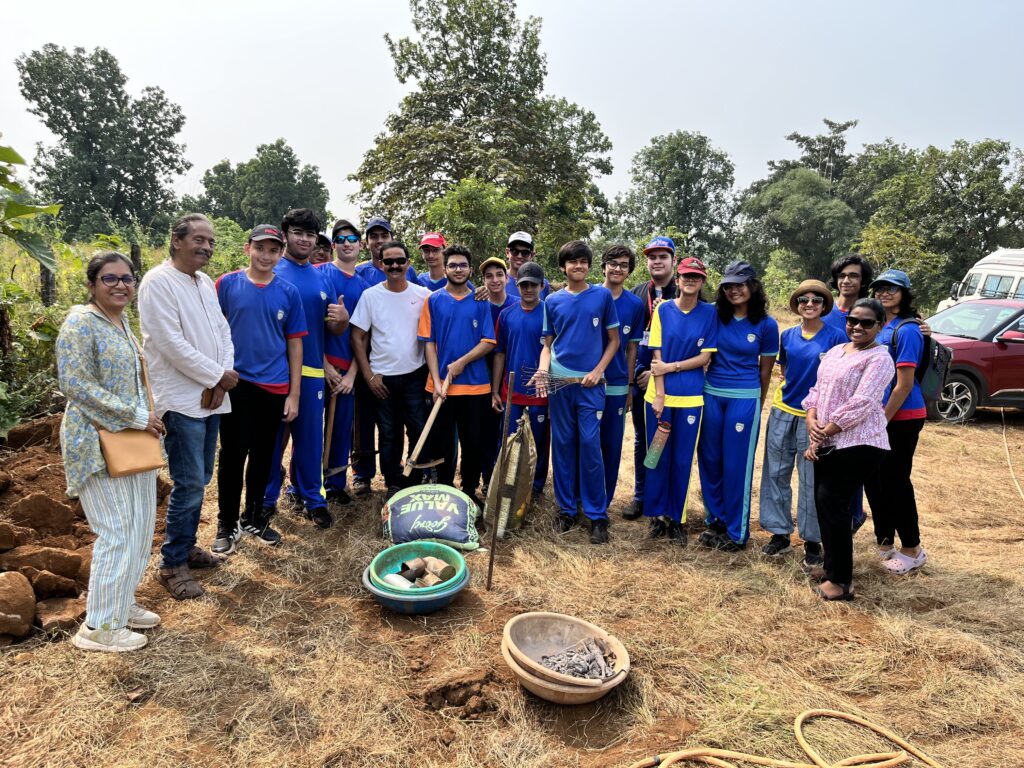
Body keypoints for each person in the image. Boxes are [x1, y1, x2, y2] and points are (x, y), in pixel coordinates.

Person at [58, 252, 164, 652]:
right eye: (110, 279)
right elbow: (75, 384)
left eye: (128, 279)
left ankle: (120, 604)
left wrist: (147, 418)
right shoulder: (81, 323)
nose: (121, 285)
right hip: (95, 443)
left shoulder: (121, 324)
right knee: (117, 531)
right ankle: (99, 628)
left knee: (138, 529)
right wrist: (136, 415)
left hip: (131, 441)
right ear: (92, 284)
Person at [138, 213, 236, 600]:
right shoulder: (157, 282)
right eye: (198, 239)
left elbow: (222, 331)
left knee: (202, 480)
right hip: (181, 400)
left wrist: (222, 374)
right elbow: (170, 344)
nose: (207, 247)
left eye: (210, 241)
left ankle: (187, 546)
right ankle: (172, 562)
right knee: (189, 481)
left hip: (212, 396)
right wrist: (215, 377)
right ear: (176, 240)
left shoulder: (204, 284)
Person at [213, 225, 305, 553]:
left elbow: (295, 345)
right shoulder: (226, 285)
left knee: (264, 456)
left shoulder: (288, 292)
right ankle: (225, 523)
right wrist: (215, 378)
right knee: (233, 454)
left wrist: (293, 394)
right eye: (260, 248)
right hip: (236, 384)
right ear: (247, 248)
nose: (266, 256)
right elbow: (212, 331)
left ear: (280, 253)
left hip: (275, 386)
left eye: (273, 250)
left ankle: (254, 517)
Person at [262, 208, 349, 530]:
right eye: (298, 233)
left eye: (310, 235)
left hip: (312, 370)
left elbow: (333, 329)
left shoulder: (322, 275)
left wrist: (341, 322)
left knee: (310, 441)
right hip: (273, 373)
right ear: (285, 235)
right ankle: (266, 499)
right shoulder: (271, 269)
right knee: (272, 441)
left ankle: (313, 498)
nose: (304, 239)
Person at [803, 298, 894, 600]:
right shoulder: (835, 352)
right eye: (853, 320)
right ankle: (832, 567)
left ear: (880, 326)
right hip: (829, 439)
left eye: (867, 322)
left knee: (833, 503)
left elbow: (864, 402)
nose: (857, 327)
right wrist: (811, 417)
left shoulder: (880, 358)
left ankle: (841, 582)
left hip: (859, 443)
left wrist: (825, 432)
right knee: (825, 504)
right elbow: (816, 391)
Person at [758, 280, 846, 567]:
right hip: (783, 409)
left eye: (816, 300)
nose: (809, 305)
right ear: (796, 304)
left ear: (824, 305)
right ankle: (779, 534)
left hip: (816, 418)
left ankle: (812, 540)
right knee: (776, 473)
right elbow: (785, 370)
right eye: (804, 300)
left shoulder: (836, 337)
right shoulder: (788, 335)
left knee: (811, 480)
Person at [539, 241, 619, 544]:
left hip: (591, 386)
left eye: (583, 261)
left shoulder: (601, 296)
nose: (578, 266)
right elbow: (547, 344)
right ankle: (566, 510)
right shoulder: (553, 301)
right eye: (572, 262)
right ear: (563, 267)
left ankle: (597, 515)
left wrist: (599, 370)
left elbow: (613, 341)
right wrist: (542, 370)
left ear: (589, 265)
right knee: (562, 445)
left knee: (590, 444)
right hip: (560, 385)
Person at [697, 260, 779, 552]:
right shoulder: (713, 315)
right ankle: (715, 519)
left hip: (744, 399)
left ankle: (736, 531)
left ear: (753, 286)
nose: (734, 290)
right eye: (728, 285)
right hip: (711, 394)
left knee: (736, 465)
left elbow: (766, 371)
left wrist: (757, 401)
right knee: (710, 460)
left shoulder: (767, 324)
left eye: (740, 284)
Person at [643, 257, 717, 545]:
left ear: (702, 282)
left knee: (682, 460)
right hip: (659, 399)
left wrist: (672, 368)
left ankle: (677, 518)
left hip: (690, 399)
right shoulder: (663, 309)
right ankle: (657, 515)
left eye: (696, 277)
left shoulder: (709, 313)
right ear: (678, 278)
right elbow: (656, 354)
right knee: (656, 456)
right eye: (686, 276)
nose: (690, 281)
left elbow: (705, 357)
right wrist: (660, 393)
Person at [350, 240, 433, 495]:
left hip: (415, 375)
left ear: (409, 263)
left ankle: (414, 479)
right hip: (382, 377)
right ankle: (393, 482)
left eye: (400, 261)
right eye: (389, 261)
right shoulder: (371, 296)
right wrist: (368, 375)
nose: (394, 266)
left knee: (418, 430)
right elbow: (357, 336)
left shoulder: (423, 295)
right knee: (388, 433)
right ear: (381, 263)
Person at [419, 245, 496, 500]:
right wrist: (437, 380)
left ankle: (469, 493)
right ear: (445, 268)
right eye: (453, 265)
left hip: (476, 387)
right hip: (442, 387)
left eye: (463, 265)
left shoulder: (480, 300)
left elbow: (488, 341)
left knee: (473, 443)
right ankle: (444, 489)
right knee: (443, 444)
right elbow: (428, 342)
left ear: (470, 269)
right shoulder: (434, 300)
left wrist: (462, 362)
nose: (458, 269)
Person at [865, 269, 929, 574]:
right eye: (880, 288)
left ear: (904, 293)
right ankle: (886, 541)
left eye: (892, 288)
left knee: (896, 481)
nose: (884, 293)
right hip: (881, 416)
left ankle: (913, 548)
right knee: (875, 480)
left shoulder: (907, 330)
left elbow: (904, 384)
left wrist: (882, 420)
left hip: (901, 417)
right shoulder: (881, 326)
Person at [627, 236, 679, 520]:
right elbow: (630, 339)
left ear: (673, 260)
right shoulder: (636, 294)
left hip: (671, 377)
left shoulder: (685, 290)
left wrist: (658, 370)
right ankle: (641, 495)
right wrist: (636, 375)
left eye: (663, 256)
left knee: (668, 437)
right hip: (639, 379)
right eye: (652, 257)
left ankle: (666, 498)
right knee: (642, 438)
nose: (657, 261)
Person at [319, 219, 369, 504]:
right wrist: (324, 365)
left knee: (341, 430)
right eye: (341, 239)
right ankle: (303, 487)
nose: (347, 243)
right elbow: (311, 327)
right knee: (311, 431)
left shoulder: (364, 288)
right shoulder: (320, 275)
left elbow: (364, 336)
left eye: (352, 238)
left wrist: (352, 375)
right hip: (318, 365)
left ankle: (336, 484)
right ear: (334, 245)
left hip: (348, 369)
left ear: (359, 245)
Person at [492, 261, 551, 495]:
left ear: (542, 286)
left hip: (540, 392)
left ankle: (535, 488)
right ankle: (506, 486)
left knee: (537, 442)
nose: (528, 289)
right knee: (507, 441)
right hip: (511, 391)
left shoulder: (550, 312)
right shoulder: (506, 315)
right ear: (517, 285)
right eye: (524, 285)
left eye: (533, 285)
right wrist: (495, 390)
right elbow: (500, 354)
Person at [599, 245, 645, 514]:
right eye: (613, 263)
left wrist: (629, 387)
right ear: (603, 266)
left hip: (616, 384)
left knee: (612, 444)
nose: (618, 268)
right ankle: (581, 498)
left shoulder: (634, 305)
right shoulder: (590, 295)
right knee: (585, 443)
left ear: (629, 271)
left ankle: (602, 503)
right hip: (585, 383)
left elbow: (632, 349)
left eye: (624, 265)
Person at [478, 255, 515, 488]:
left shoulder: (518, 303)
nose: (494, 280)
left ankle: (510, 478)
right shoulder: (478, 303)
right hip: (482, 374)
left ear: (507, 277)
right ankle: (487, 477)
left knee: (510, 430)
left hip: (511, 374)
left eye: (499, 275)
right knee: (487, 430)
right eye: (489, 276)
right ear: (482, 281)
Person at [355, 217, 418, 287]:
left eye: (384, 236)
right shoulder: (358, 273)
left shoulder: (407, 270)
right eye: (374, 236)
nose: (380, 240)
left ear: (392, 240)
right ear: (367, 243)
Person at [822, 254, 873, 332]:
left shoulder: (870, 315)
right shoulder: (822, 311)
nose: (846, 281)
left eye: (853, 276)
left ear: (864, 281)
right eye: (842, 276)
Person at [503, 232, 551, 300]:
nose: (519, 256)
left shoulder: (542, 284)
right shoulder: (498, 282)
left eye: (525, 253)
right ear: (507, 252)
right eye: (515, 251)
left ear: (532, 255)